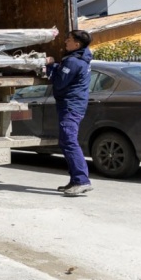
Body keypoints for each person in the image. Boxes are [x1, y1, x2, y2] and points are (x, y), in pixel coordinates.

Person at [45, 30, 94, 197]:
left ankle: (82, 180)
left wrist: (51, 65)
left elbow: (59, 83)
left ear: (77, 44)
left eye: (69, 39)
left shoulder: (73, 61)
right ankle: (75, 179)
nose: (66, 41)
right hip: (73, 105)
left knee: (69, 141)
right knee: (67, 141)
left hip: (71, 106)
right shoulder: (80, 58)